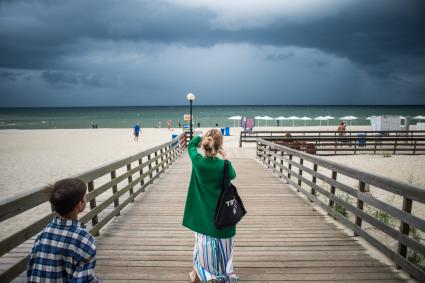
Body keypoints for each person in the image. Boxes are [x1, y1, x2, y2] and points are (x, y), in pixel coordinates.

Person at [182, 129, 238, 282]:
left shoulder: (198, 162)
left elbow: (191, 146)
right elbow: (233, 175)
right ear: (219, 146)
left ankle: (199, 273)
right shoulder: (224, 165)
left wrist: (200, 137)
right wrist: (226, 157)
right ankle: (215, 272)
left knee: (201, 245)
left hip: (204, 218)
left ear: (206, 143)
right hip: (223, 217)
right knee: (222, 246)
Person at [27, 178, 99, 282]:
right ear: (79, 205)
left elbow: (31, 270)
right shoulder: (84, 240)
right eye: (85, 197)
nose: (86, 199)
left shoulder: (43, 234)